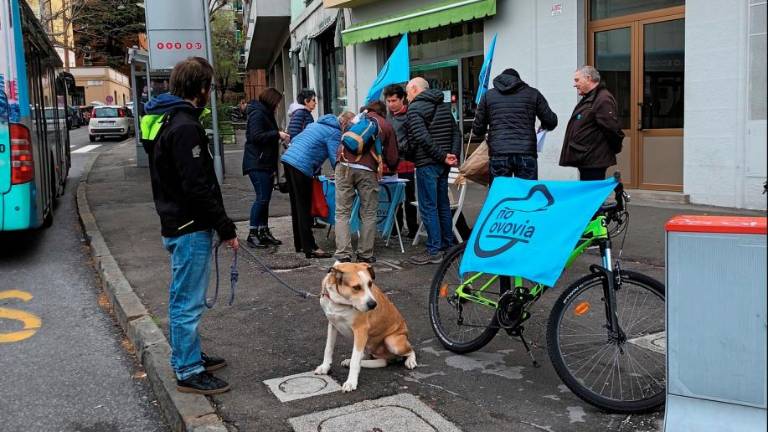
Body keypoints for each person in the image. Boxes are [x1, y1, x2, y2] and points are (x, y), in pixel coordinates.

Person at [141, 57, 237, 395]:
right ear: (201, 88)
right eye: (208, 86)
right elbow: (197, 186)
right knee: (187, 301)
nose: (209, 92)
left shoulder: (165, 120)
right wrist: (225, 226)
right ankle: (188, 369)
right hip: (189, 225)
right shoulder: (185, 127)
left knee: (183, 296)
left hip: (176, 223)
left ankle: (189, 354)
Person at [281, 112, 355, 259]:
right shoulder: (334, 132)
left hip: (288, 160)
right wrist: (347, 174)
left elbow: (296, 139)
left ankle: (300, 244)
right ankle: (310, 248)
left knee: (296, 206)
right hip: (301, 166)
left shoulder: (316, 124)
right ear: (344, 124)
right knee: (304, 208)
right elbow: (336, 160)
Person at [404, 77, 461, 265]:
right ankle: (447, 245)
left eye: (407, 92)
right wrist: (451, 155)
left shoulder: (415, 108)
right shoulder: (443, 106)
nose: (407, 96)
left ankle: (434, 249)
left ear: (414, 89)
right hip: (443, 164)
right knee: (442, 204)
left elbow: (422, 137)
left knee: (428, 206)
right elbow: (456, 133)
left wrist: (442, 156)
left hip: (428, 162)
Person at [334, 102, 399, 264]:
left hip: (343, 165)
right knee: (368, 212)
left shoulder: (355, 120)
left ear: (367, 110)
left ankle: (343, 253)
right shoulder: (386, 125)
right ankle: (365, 254)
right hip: (367, 170)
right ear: (382, 113)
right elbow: (392, 158)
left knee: (342, 212)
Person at [472, 68, 558, 182]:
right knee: (526, 194)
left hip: (499, 152)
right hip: (526, 152)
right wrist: (543, 126)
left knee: (500, 194)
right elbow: (551, 121)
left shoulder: (488, 96)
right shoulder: (533, 93)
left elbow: (478, 130)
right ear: (519, 80)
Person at [242, 87, 289, 248]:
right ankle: (253, 232)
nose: (278, 107)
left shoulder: (265, 113)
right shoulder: (258, 113)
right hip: (257, 163)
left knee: (265, 198)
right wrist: (277, 134)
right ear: (271, 101)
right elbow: (255, 136)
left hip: (265, 162)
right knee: (262, 198)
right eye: (277, 103)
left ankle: (263, 230)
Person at [559, 65, 624, 180]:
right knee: (588, 192)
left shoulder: (602, 98)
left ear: (588, 78)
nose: (575, 84)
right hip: (586, 157)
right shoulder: (590, 98)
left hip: (594, 159)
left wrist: (613, 149)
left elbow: (612, 129)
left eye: (577, 80)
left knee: (592, 193)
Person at [382, 84, 419, 239]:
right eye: (388, 101)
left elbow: (413, 139)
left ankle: (412, 229)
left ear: (402, 99)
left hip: (406, 163)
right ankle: (394, 229)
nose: (391, 104)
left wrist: (397, 148)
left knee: (409, 198)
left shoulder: (410, 115)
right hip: (388, 164)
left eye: (394, 100)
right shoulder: (386, 116)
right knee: (393, 198)